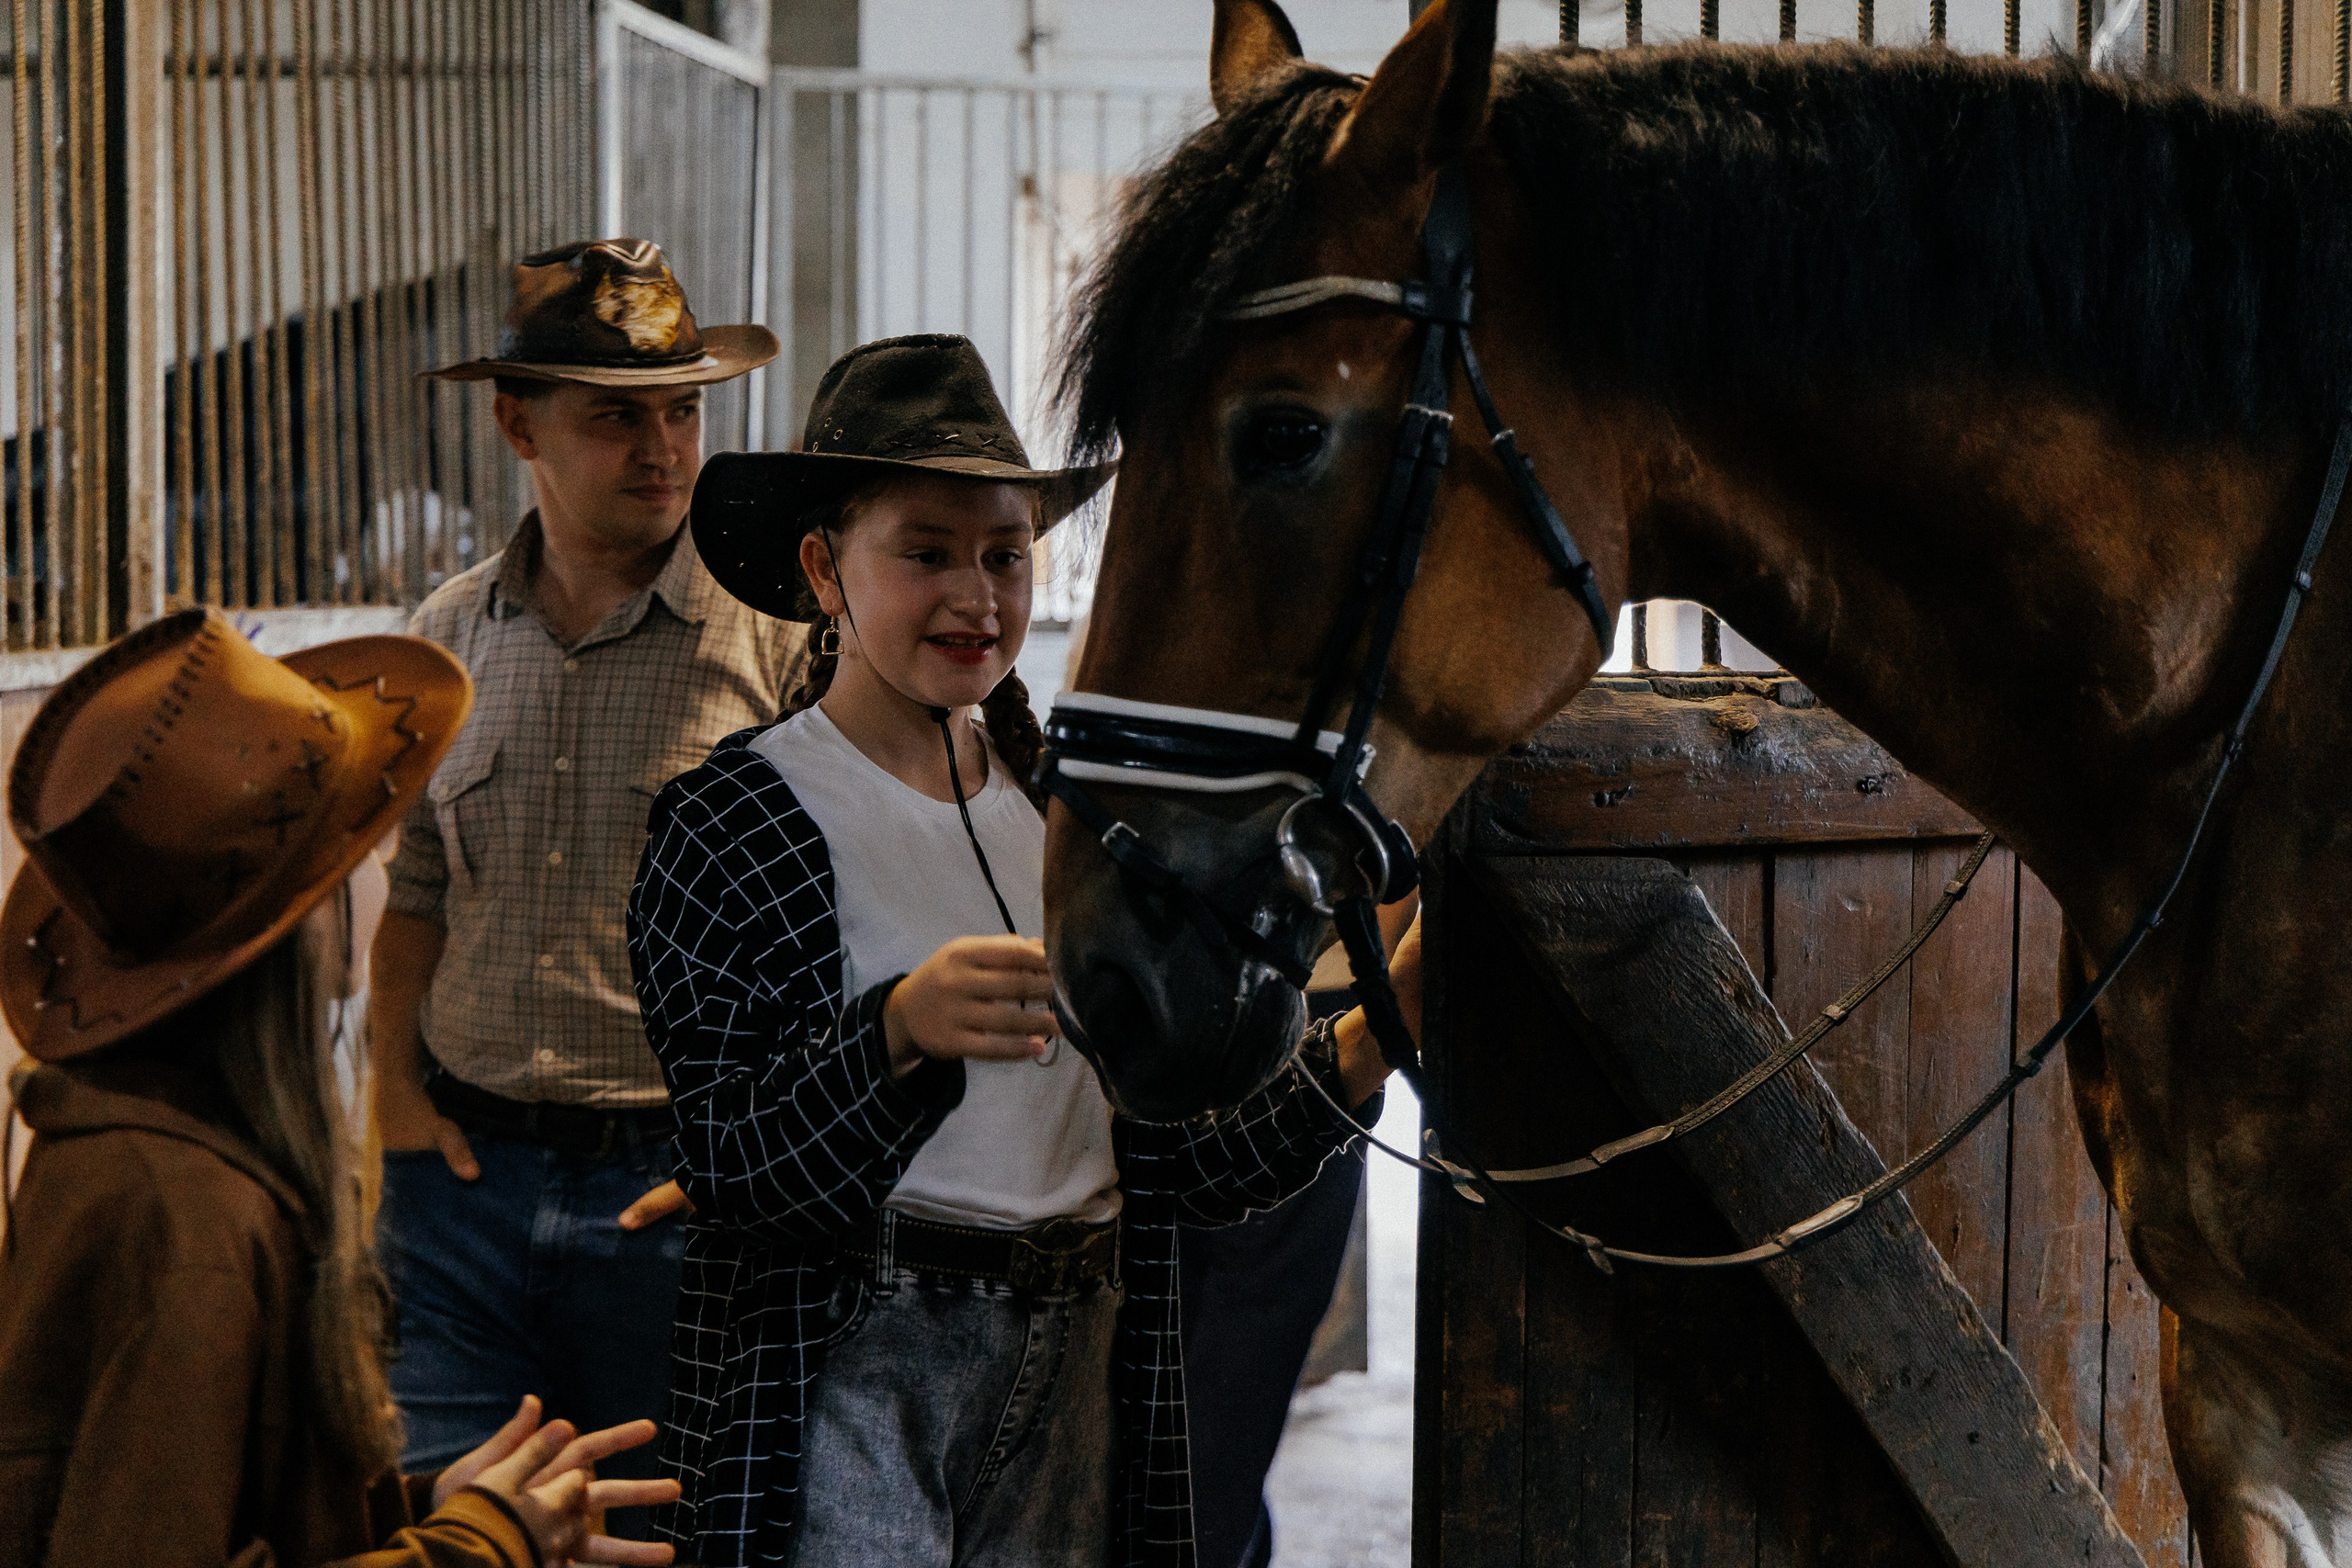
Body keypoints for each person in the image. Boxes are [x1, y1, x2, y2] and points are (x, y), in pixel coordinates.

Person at [623, 333, 1418, 1568]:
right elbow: (734, 1164)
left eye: (1003, 553)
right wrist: (894, 1031)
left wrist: (1372, 1034)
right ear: (825, 569)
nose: (976, 595)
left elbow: (1180, 1162)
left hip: (1082, 1351)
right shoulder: (734, 819)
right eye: (926, 552)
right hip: (856, 1362)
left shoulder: (1071, 818)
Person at [0, 608, 679, 1568]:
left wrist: (421, 1509)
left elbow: (235, 1508)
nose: (379, 877)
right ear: (295, 927)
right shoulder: (191, 1223)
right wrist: (483, 1544)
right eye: (353, 855)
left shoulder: (148, 1148)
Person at [370, 238, 804, 1534]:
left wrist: (762, 1151)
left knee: (657, 1532)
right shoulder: (447, 638)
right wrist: (389, 1094)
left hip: (675, 1194)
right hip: (458, 1192)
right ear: (520, 426)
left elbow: (839, 928)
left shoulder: (781, 643)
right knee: (448, 1526)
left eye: (682, 412)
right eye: (617, 417)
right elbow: (418, 894)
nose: (664, 449)